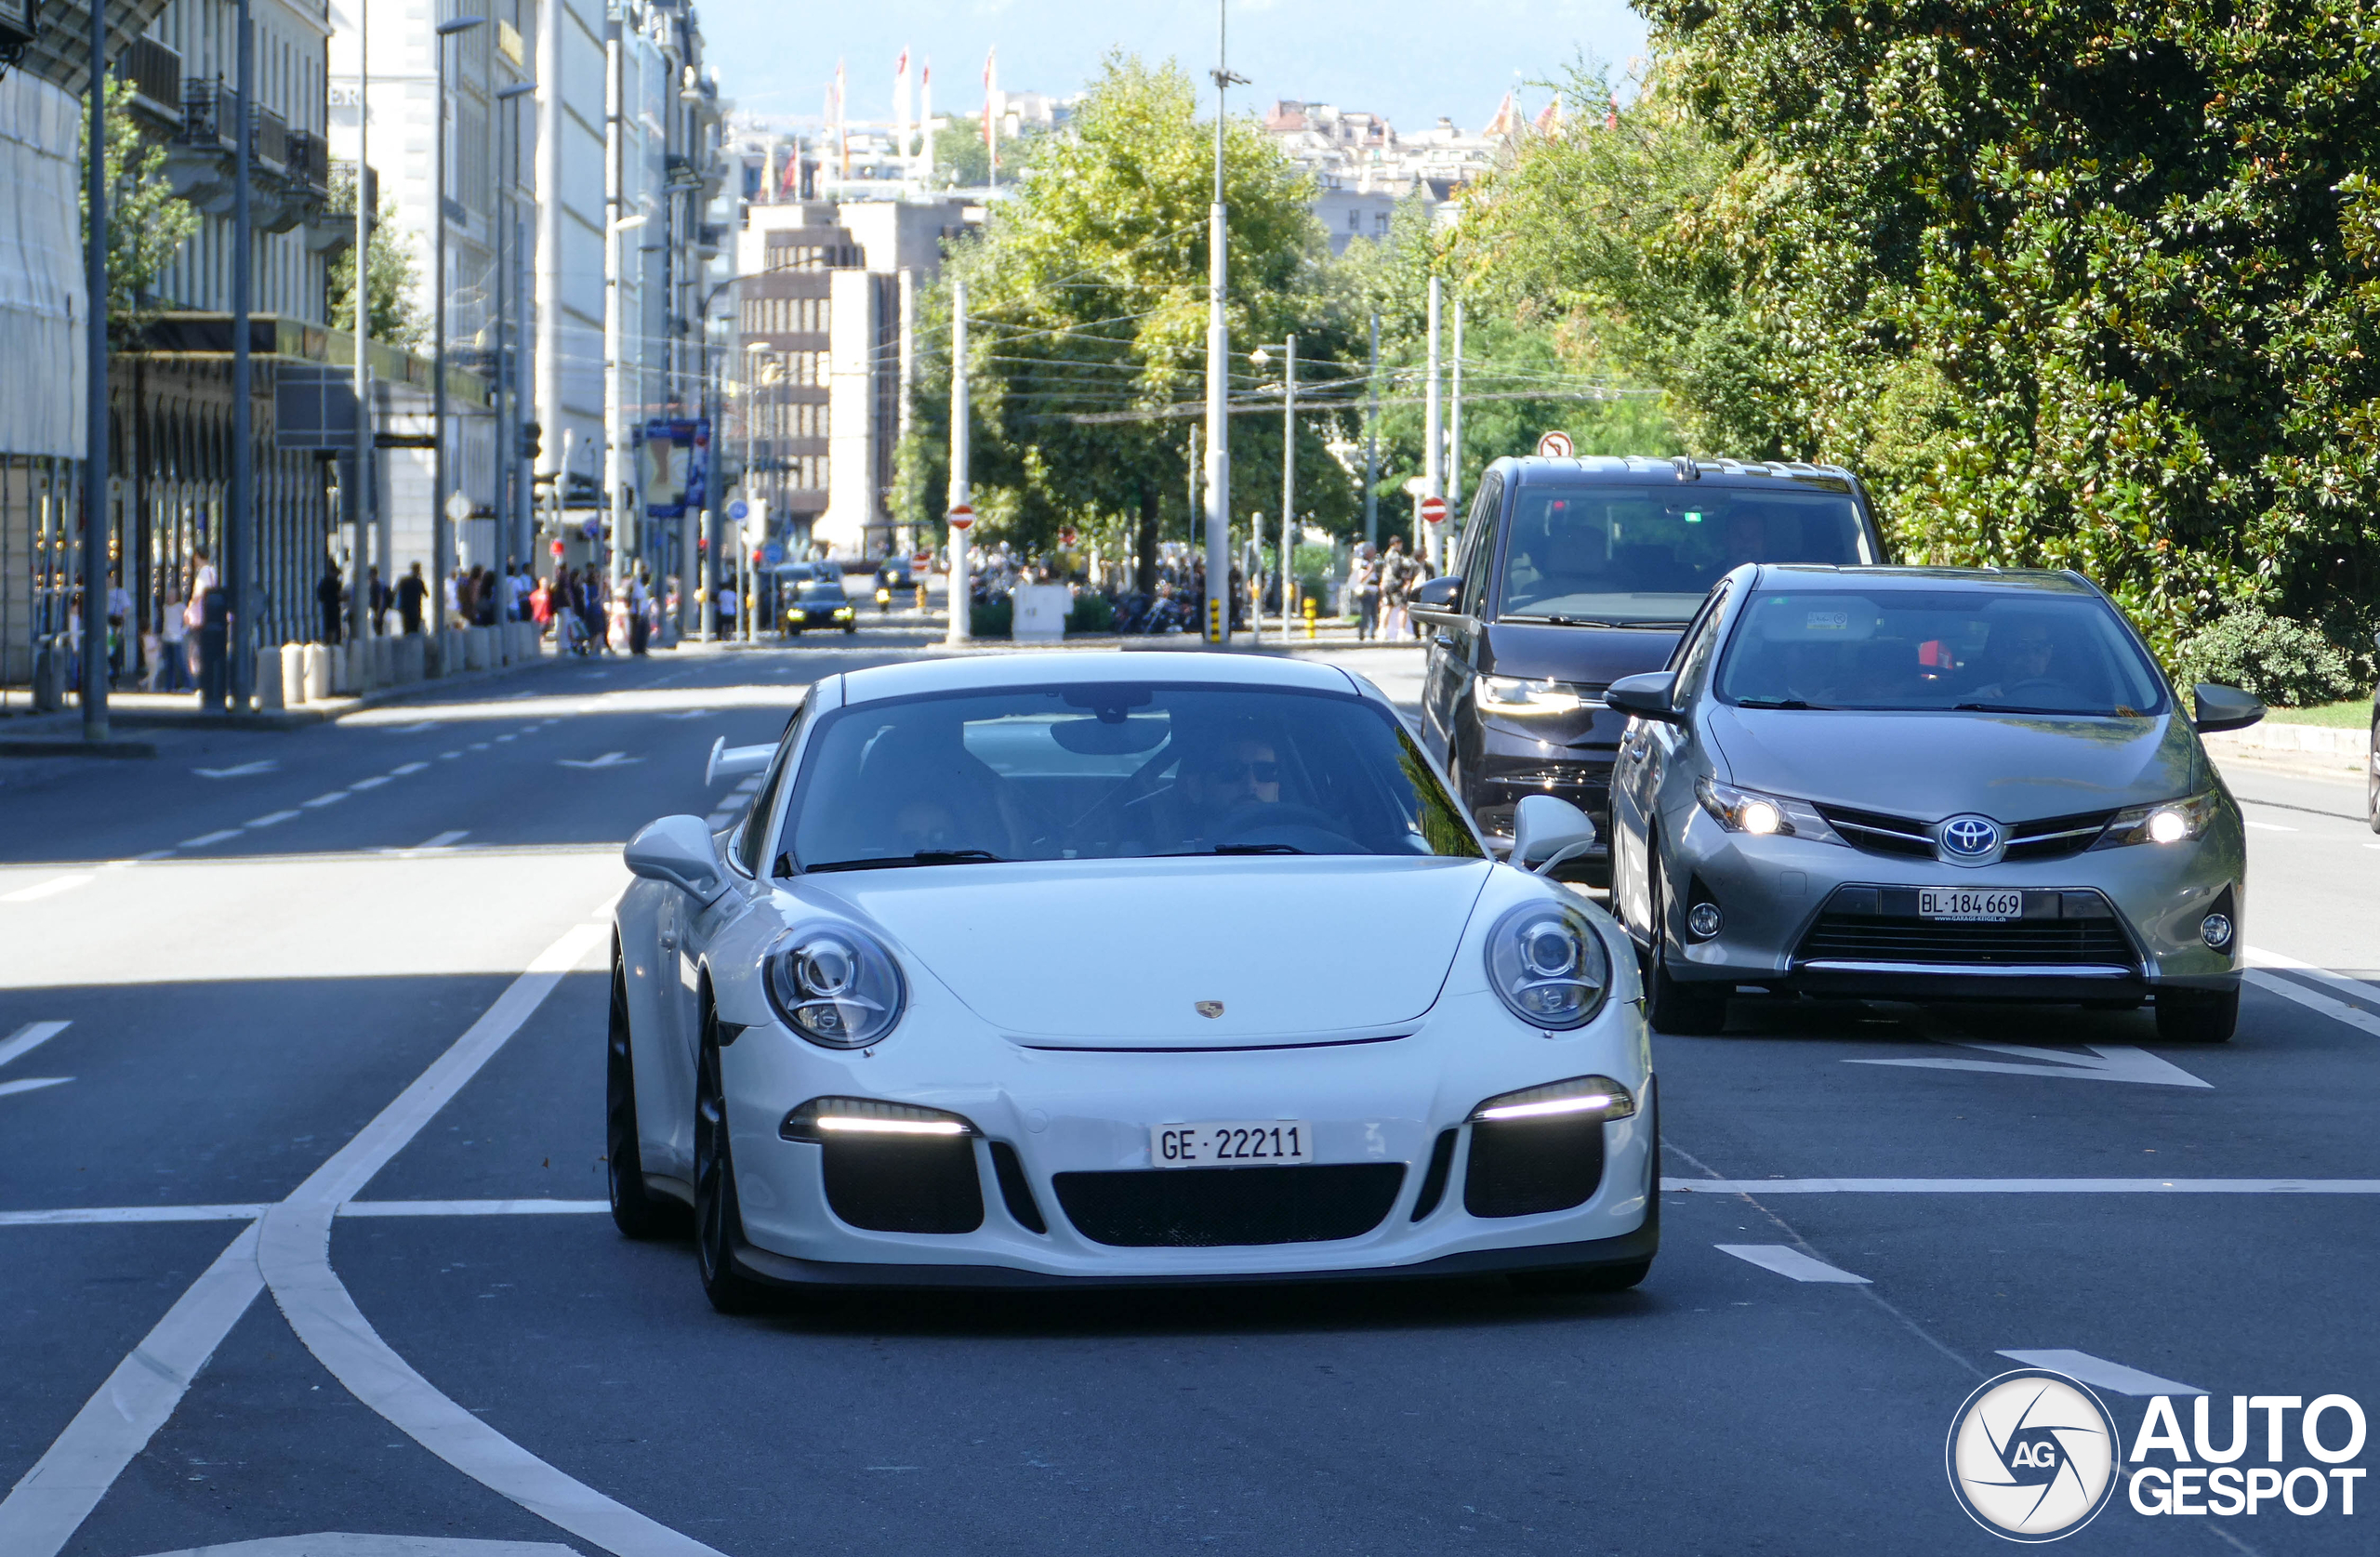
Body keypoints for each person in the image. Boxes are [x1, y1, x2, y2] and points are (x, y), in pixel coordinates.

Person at [1176, 729, 1284, 842]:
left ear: (1277, 787)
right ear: (1196, 787)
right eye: (1231, 771)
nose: (1251, 784)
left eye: (1265, 772)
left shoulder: (1301, 850)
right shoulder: (1170, 857)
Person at [157, 578, 191, 693]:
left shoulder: (180, 607)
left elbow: (188, 619)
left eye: (172, 595)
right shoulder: (165, 607)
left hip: (176, 638)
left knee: (180, 663)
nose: (170, 597)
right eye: (169, 594)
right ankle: (169, 686)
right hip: (167, 638)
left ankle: (188, 685)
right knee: (169, 664)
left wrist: (184, 631)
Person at [1349, 544, 1382, 641]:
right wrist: (1369, 571)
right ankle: (1361, 634)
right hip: (1366, 592)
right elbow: (1360, 579)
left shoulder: (1372, 563)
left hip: (1374, 591)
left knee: (1374, 615)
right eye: (1372, 551)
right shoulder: (1362, 564)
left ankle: (1372, 634)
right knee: (1365, 614)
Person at [395, 561, 429, 635]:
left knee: (406, 630)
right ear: (419, 570)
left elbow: (396, 592)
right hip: (416, 610)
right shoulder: (419, 582)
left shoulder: (403, 581)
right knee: (415, 631)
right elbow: (427, 595)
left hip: (405, 609)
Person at [316, 562, 344, 644]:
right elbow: (339, 596)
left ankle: (328, 643)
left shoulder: (324, 582)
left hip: (326, 608)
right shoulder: (335, 583)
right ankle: (333, 644)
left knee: (328, 628)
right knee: (334, 628)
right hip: (334, 608)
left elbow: (320, 595)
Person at [366, 565, 391, 636]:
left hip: (378, 610)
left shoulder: (377, 584)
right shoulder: (379, 583)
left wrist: (379, 612)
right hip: (377, 610)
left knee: (378, 628)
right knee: (377, 628)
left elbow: (380, 598)